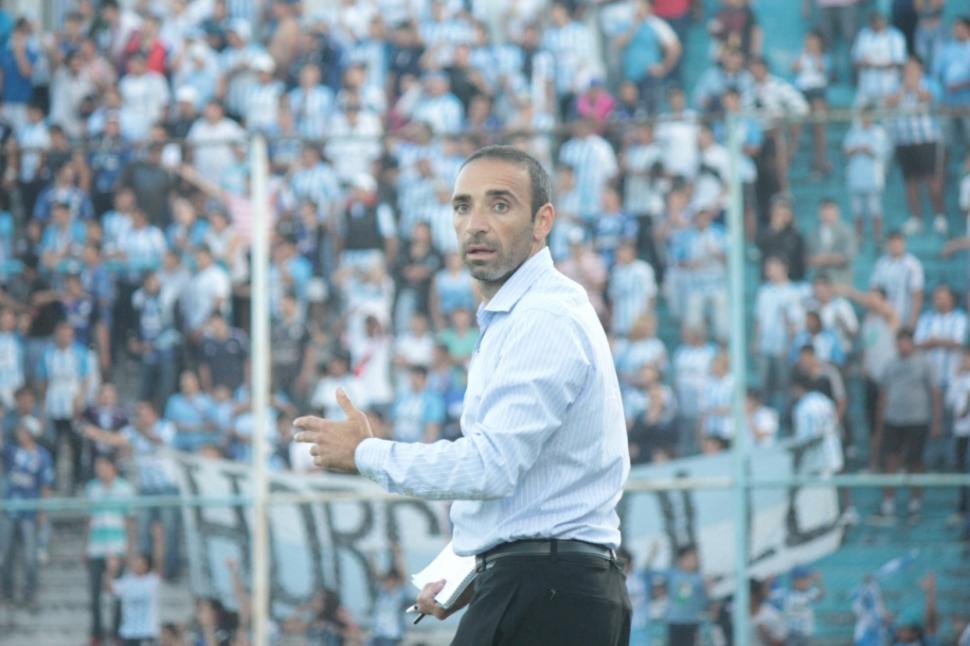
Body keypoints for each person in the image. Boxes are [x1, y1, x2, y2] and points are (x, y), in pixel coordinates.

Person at [295, 145, 632, 644]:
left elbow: (492, 466)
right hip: (545, 586)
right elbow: (531, 496)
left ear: (542, 221)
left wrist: (366, 453)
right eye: (462, 206)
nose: (476, 223)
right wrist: (466, 570)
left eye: (500, 205)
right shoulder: (521, 313)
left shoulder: (543, 317)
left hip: (549, 591)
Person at [872, 328, 941, 523]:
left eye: (904, 343)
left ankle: (915, 504)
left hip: (917, 420)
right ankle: (888, 504)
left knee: (915, 462)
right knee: (891, 461)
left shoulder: (925, 364)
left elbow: (935, 392)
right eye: (898, 343)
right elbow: (884, 393)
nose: (901, 347)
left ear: (912, 343)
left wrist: (936, 421)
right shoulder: (890, 364)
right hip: (893, 419)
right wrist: (880, 421)